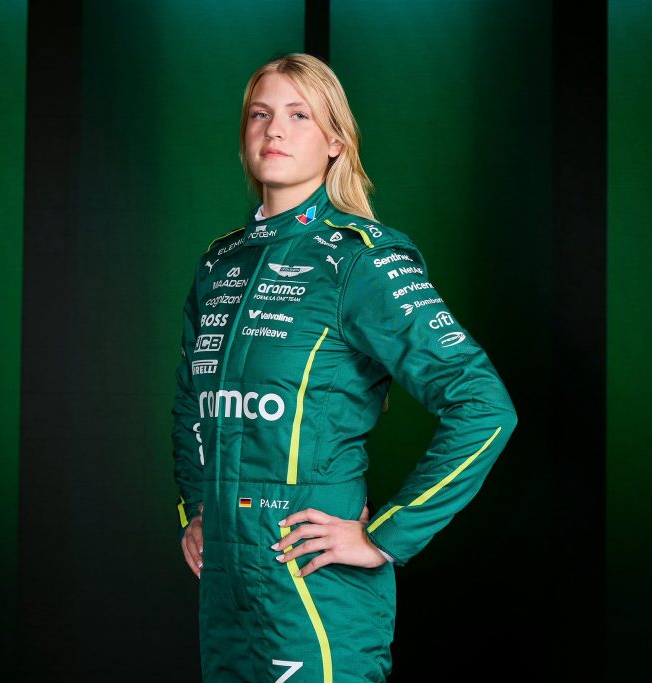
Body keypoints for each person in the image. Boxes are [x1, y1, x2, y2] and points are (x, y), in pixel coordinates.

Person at [171, 52, 517, 683]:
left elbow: (484, 405)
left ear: (335, 142)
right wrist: (198, 506)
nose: (274, 130)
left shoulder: (361, 259)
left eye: (299, 115)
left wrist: (386, 536)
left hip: (313, 581)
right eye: (260, 114)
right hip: (224, 580)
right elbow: (194, 402)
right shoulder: (220, 263)